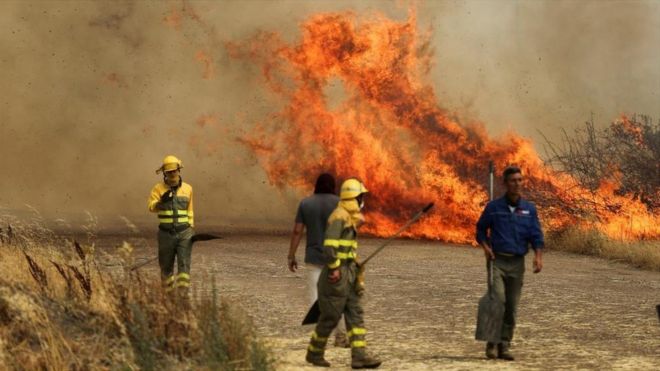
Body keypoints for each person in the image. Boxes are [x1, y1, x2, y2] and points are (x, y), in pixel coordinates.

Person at [306, 178, 381, 369]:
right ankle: (314, 353)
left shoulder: (349, 217)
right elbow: (329, 247)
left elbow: (357, 225)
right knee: (330, 317)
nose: (363, 200)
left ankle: (359, 357)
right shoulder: (339, 217)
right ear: (354, 198)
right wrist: (334, 267)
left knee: (355, 313)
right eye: (361, 197)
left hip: (349, 273)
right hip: (336, 276)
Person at [476, 166, 544, 361]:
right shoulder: (493, 208)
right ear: (505, 183)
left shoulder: (529, 209)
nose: (517, 183)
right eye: (513, 180)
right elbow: (480, 230)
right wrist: (486, 248)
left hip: (517, 263)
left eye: (520, 180)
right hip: (497, 260)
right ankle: (491, 343)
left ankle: (504, 345)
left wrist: (538, 257)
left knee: (511, 307)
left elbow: (536, 235)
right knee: (497, 300)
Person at [287, 173, 348, 347]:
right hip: (336, 259)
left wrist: (291, 255)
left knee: (316, 300)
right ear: (333, 186)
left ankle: (320, 338)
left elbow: (297, 231)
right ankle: (341, 336)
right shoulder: (340, 204)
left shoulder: (306, 203)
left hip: (314, 258)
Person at [147, 155, 194, 293]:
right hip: (165, 234)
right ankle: (168, 298)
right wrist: (161, 202)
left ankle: (183, 296)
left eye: (174, 171)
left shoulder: (188, 189)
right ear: (164, 173)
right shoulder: (158, 189)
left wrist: (191, 229)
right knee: (166, 267)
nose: (172, 174)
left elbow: (190, 211)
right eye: (169, 172)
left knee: (184, 265)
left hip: (185, 233)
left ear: (179, 170)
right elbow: (151, 207)